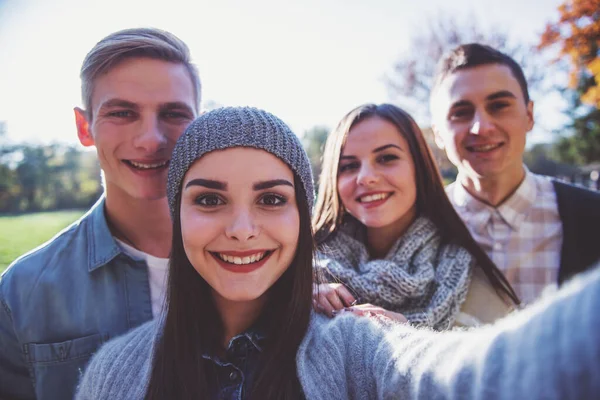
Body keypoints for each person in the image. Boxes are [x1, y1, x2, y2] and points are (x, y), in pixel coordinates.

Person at [76, 107, 600, 400]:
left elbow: (469, 373)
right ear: (176, 214)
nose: (241, 229)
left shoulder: (358, 340)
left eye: (272, 199)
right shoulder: (114, 372)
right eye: (209, 199)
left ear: (300, 217)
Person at [0, 28, 200, 399]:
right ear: (84, 126)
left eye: (173, 113)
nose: (150, 139)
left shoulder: (257, 261)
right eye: (122, 112)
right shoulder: (20, 294)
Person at [312, 103, 518, 330]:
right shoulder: (300, 268)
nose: (366, 177)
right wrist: (301, 298)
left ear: (418, 167)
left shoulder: (473, 280)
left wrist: (408, 333)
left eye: (386, 158)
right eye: (349, 166)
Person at [430, 43, 600, 304]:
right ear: (439, 134)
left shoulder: (592, 217)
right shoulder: (420, 225)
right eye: (461, 112)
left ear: (529, 115)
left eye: (499, 106)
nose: (481, 127)